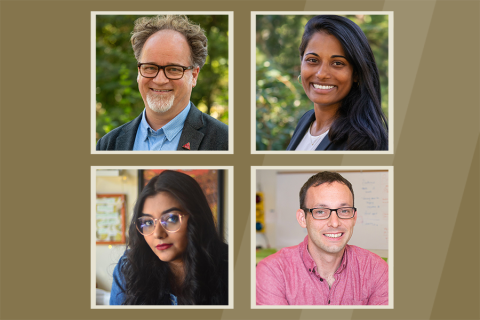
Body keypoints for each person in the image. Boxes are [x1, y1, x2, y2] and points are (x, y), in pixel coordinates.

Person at [97, 15, 228, 151]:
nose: (160, 80)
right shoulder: (108, 145)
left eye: (173, 69)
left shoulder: (226, 142)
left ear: (194, 75)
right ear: (139, 71)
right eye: (150, 67)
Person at [256, 171, 388, 305]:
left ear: (354, 217)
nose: (335, 223)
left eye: (344, 211)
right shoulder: (272, 272)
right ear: (302, 219)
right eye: (320, 212)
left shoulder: (377, 270)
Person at [110, 170, 228, 305]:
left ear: (197, 218)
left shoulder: (230, 267)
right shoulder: (128, 268)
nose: (158, 234)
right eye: (148, 222)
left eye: (171, 219)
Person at [287, 15, 388, 151]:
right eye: (312, 60)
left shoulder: (363, 143)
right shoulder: (306, 120)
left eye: (337, 63)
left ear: (356, 74)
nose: (321, 74)